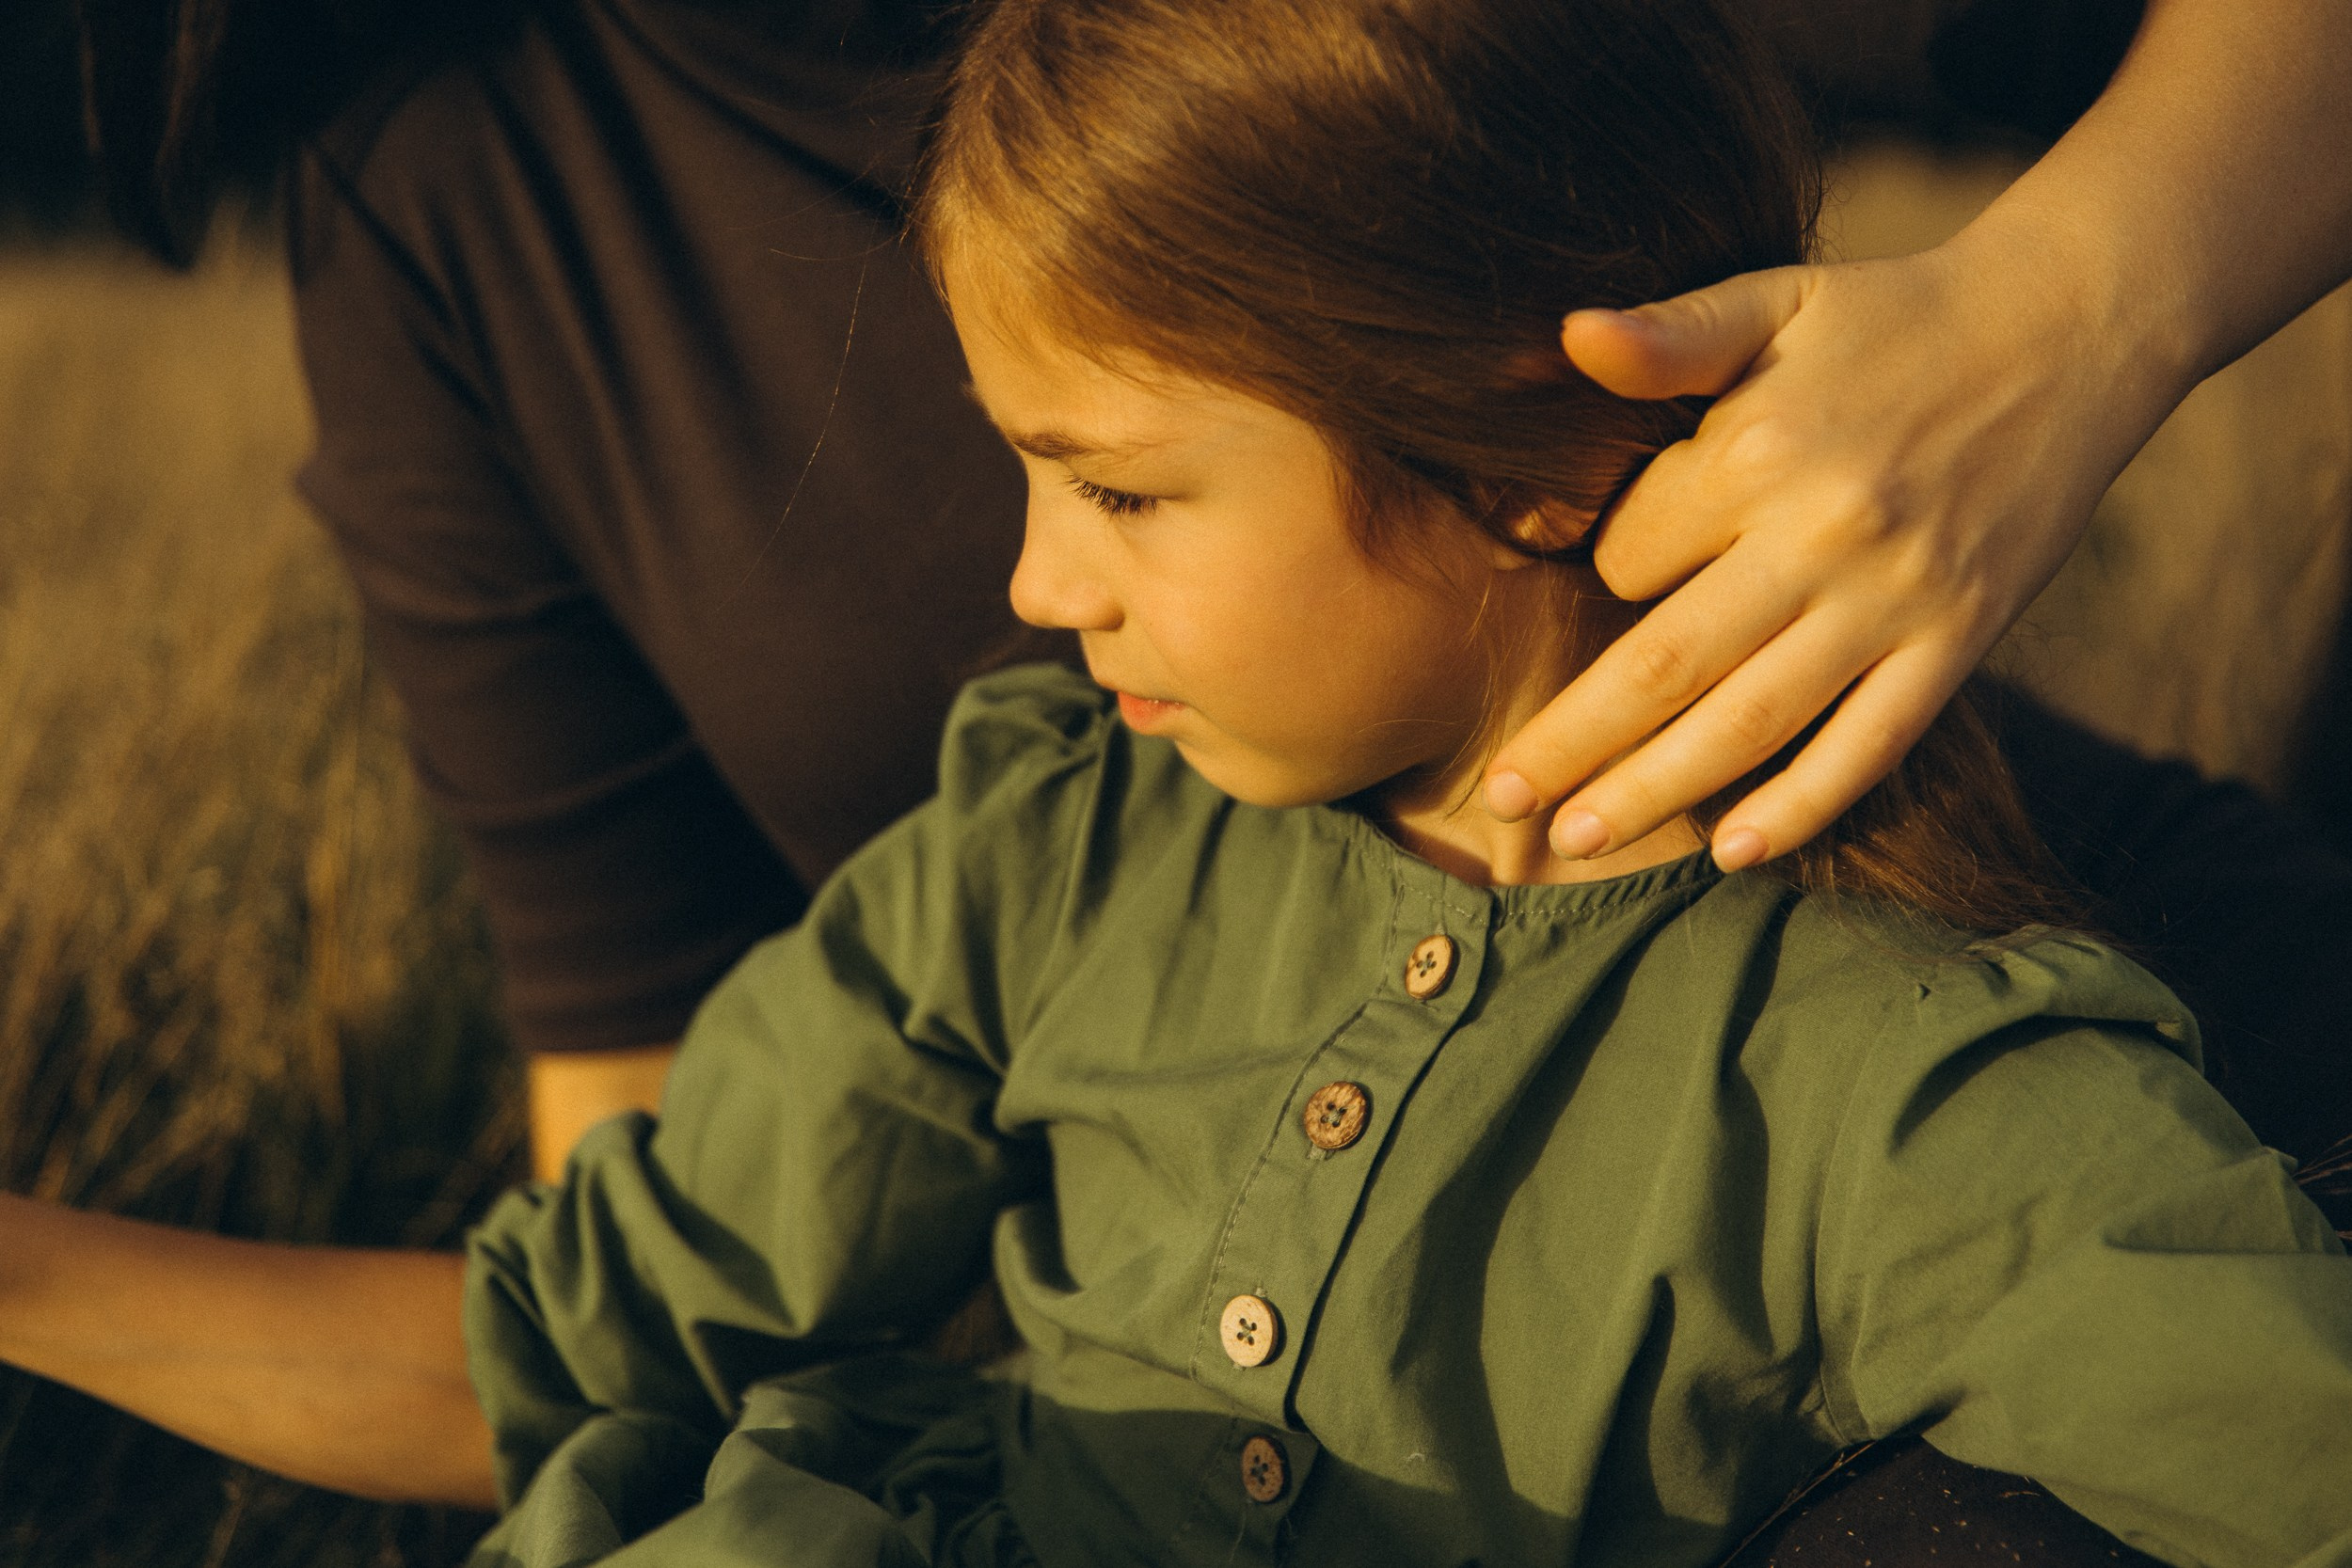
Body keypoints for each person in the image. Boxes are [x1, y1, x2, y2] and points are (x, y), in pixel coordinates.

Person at [12, 1, 2351, 1559]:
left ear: (1535, 452)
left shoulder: (1912, 1092)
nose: (1033, 585)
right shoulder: (1032, 859)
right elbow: (567, 1336)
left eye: (1116, 493)